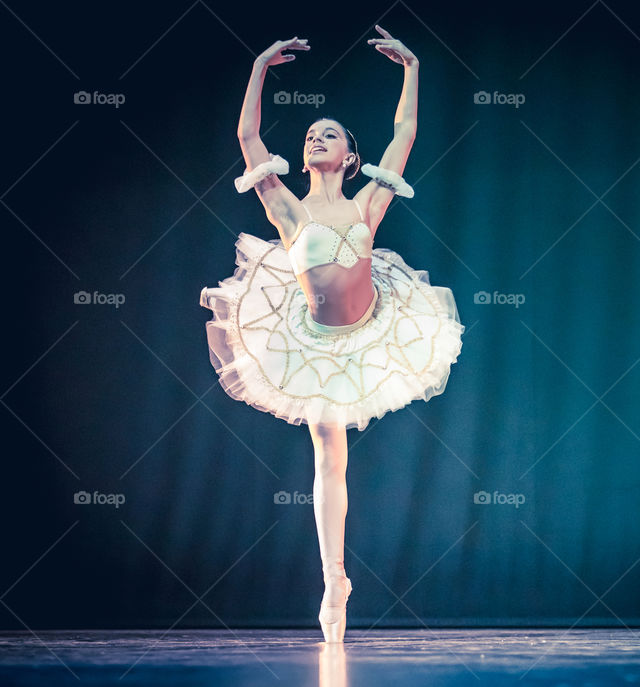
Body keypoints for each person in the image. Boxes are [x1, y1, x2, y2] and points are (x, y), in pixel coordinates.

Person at [198, 26, 464, 642]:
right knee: (328, 454)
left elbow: (404, 136)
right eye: (311, 134)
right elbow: (246, 136)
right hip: (313, 343)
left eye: (331, 135)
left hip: (373, 328)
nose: (317, 137)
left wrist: (413, 68)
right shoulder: (288, 209)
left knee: (334, 453)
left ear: (348, 156)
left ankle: (336, 579)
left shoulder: (369, 202)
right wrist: (261, 65)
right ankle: (334, 580)